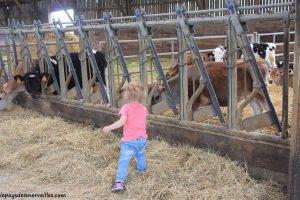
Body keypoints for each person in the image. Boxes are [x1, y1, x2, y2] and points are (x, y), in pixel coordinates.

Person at [102, 81, 148, 193]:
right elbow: (143, 123)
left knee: (124, 161)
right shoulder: (143, 108)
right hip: (142, 139)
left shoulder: (126, 107)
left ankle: (119, 183)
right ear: (141, 95)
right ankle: (141, 171)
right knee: (141, 155)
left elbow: (122, 122)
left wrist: (109, 127)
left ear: (126, 95)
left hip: (129, 142)